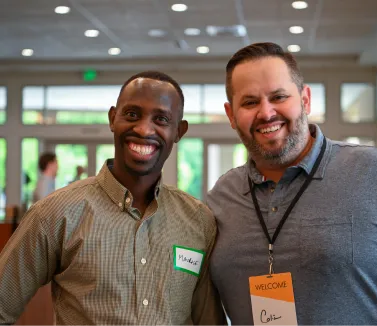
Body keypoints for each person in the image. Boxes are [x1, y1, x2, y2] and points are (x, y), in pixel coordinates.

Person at [0, 71, 226, 325]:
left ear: (179, 131)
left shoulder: (198, 220)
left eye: (161, 119)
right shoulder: (55, 214)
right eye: (132, 114)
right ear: (112, 118)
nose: (143, 129)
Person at [207, 42, 377, 326]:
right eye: (250, 102)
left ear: (305, 100)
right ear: (231, 115)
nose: (266, 113)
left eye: (278, 96)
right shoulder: (221, 198)